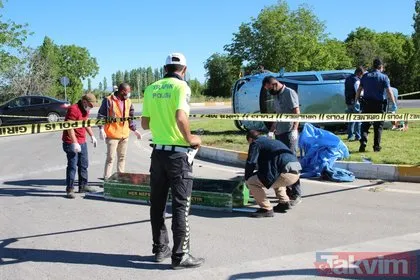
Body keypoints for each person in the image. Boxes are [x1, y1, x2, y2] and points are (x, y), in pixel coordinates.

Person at [141, 53, 204, 269]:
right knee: (180, 205)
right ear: (184, 69)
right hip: (178, 155)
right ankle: (181, 256)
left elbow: (144, 124)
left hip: (158, 154)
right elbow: (180, 117)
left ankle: (160, 249)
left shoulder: (151, 88)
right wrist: (191, 138)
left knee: (157, 204)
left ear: (165, 68)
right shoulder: (182, 87)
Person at [262, 76, 302, 205]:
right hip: (279, 132)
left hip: (289, 133)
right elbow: (277, 114)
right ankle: (287, 192)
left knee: (291, 164)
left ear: (274, 84)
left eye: (269, 88)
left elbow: (296, 112)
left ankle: (296, 194)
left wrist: (295, 129)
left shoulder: (289, 93)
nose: (269, 91)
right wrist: (272, 130)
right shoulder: (276, 95)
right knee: (280, 164)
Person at [245, 130, 302, 218]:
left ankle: (266, 209)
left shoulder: (256, 143)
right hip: (296, 173)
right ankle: (284, 203)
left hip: (285, 174)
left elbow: (251, 162)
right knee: (275, 176)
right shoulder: (273, 141)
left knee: (252, 182)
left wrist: (247, 178)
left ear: (250, 139)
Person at [97, 83, 142, 180]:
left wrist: (135, 130)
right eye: (128, 92)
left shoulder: (128, 101)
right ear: (122, 91)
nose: (129, 94)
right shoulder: (108, 100)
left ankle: (121, 178)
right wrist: (101, 129)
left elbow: (130, 117)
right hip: (112, 135)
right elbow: (101, 115)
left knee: (122, 158)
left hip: (124, 135)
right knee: (110, 159)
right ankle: (107, 179)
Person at [62, 93, 99, 199]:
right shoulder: (73, 109)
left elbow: (86, 122)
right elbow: (69, 127)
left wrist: (92, 136)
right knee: (72, 166)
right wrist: (74, 142)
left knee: (84, 164)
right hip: (70, 142)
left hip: (82, 141)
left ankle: (83, 186)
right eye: (90, 105)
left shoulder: (85, 109)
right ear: (84, 102)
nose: (91, 108)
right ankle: (70, 189)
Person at [355, 58, 397, 152]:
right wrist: (393, 103)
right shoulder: (384, 77)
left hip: (366, 104)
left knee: (365, 125)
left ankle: (363, 141)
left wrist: (356, 101)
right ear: (380, 67)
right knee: (378, 127)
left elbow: (359, 89)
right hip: (379, 105)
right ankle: (376, 147)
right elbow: (389, 91)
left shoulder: (365, 76)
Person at [345, 66, 365, 141]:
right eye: (362, 75)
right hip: (355, 101)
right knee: (357, 119)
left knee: (350, 119)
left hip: (348, 101)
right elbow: (358, 91)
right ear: (359, 73)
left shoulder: (347, 79)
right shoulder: (356, 80)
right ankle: (358, 135)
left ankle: (350, 135)